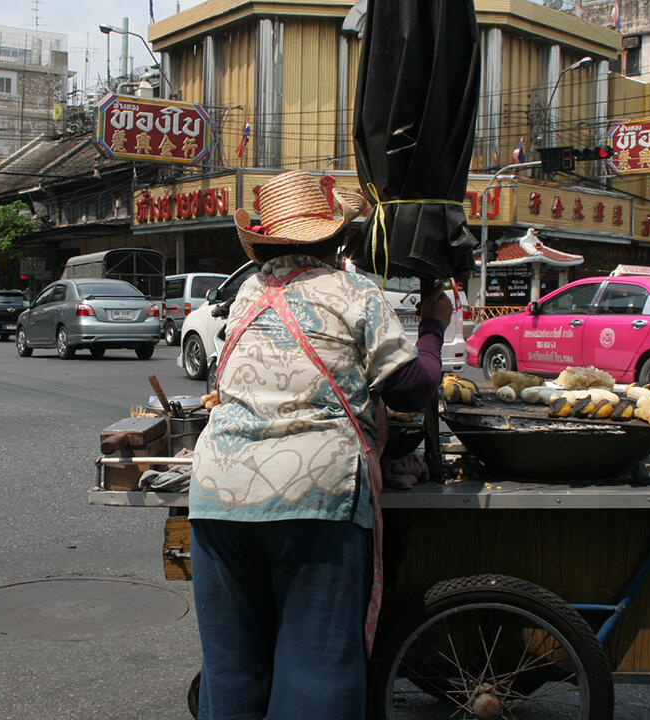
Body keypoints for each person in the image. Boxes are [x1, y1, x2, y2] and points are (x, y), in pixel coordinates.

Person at [188, 170, 450, 720]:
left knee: (231, 670)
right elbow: (411, 389)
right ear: (337, 240)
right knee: (315, 667)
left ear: (265, 243)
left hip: (217, 495)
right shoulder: (354, 293)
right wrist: (432, 328)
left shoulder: (247, 294)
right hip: (315, 499)